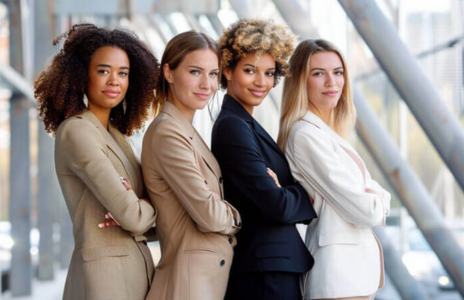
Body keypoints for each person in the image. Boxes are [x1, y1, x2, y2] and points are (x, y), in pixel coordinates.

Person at [34, 24, 159, 300]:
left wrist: (140, 207)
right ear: (82, 76)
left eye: (123, 73)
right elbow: (133, 217)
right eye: (103, 71)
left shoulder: (116, 136)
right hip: (105, 281)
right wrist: (145, 206)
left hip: (137, 272)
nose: (115, 80)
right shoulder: (77, 131)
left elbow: (141, 218)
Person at [277, 39, 391, 300]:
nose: (332, 82)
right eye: (318, 73)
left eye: (337, 72)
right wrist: (378, 197)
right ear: (301, 82)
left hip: (354, 276)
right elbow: (365, 210)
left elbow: (366, 197)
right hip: (338, 278)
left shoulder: (326, 134)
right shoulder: (306, 135)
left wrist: (371, 194)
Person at [211, 19, 317, 300]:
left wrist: (284, 189)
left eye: (269, 73)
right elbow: (277, 206)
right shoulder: (233, 126)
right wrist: (306, 192)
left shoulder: (244, 123)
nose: (262, 82)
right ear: (227, 70)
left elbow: (277, 199)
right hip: (264, 272)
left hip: (271, 266)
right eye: (249, 70)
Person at [140, 31, 242, 300]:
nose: (206, 84)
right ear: (169, 73)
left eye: (212, 74)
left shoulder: (185, 130)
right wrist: (242, 217)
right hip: (188, 284)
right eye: (195, 72)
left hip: (202, 280)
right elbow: (208, 214)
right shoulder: (167, 133)